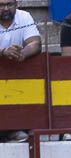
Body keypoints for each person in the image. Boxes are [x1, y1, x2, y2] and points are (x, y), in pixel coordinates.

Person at [1, 0, 42, 142]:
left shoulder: (24, 17)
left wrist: (22, 53)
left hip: (17, 77)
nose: (5, 8)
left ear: (16, 4)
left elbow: (35, 43)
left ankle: (17, 129)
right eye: (1, 5)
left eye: (9, 4)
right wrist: (3, 52)